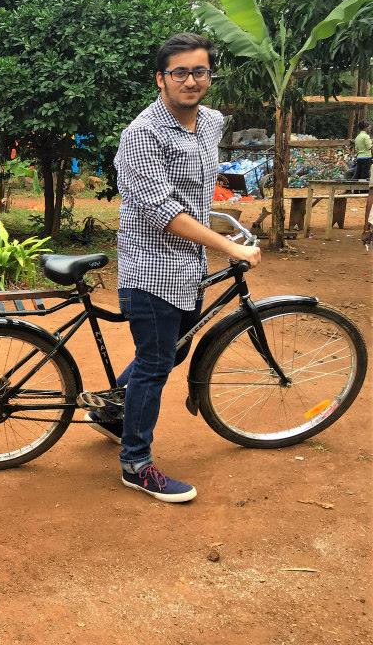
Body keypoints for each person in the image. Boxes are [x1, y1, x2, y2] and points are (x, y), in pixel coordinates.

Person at [85, 33, 261, 503]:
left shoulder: (210, 123)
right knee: (155, 364)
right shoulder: (142, 135)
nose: (190, 80)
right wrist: (228, 245)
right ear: (160, 79)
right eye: (179, 72)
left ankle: (109, 412)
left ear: (209, 77)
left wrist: (219, 217)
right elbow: (165, 210)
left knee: (170, 352)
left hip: (190, 267)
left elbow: (198, 192)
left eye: (199, 71)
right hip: (152, 271)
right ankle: (136, 463)